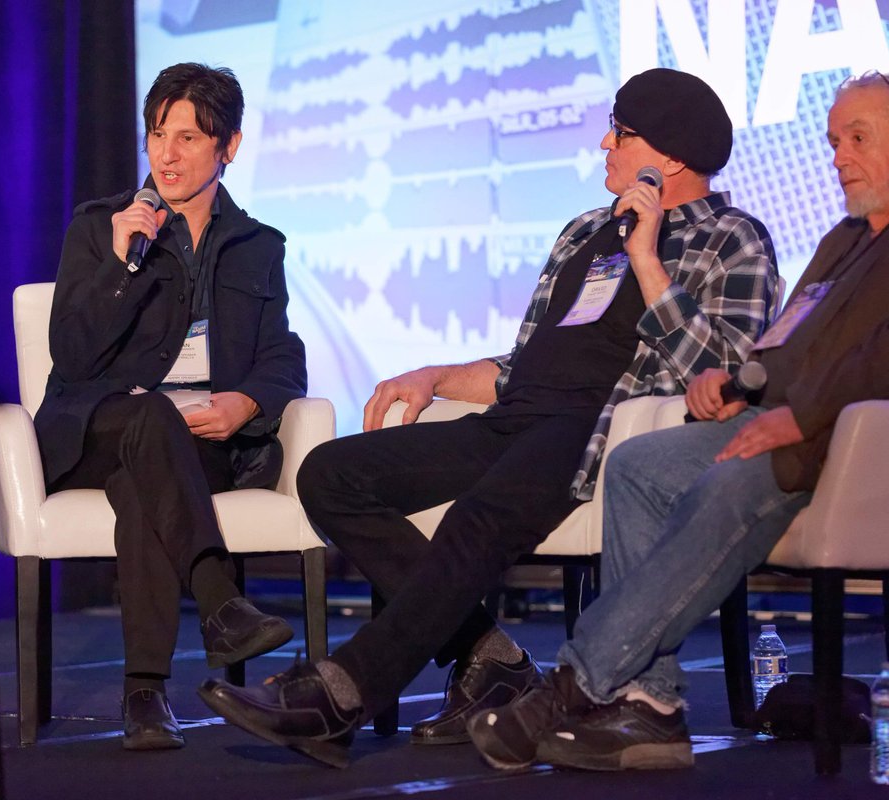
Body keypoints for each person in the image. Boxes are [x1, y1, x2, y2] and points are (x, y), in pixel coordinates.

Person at [198, 68, 779, 766]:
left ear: (672, 157)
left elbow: (721, 377)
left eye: (620, 132)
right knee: (330, 475)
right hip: (515, 419)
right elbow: (523, 363)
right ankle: (491, 658)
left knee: (480, 513)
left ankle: (343, 695)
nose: (604, 142)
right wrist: (437, 375)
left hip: (593, 430)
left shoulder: (730, 238)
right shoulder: (584, 233)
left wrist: (648, 261)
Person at [466, 71, 889, 772]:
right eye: (833, 142)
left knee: (733, 474)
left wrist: (801, 414)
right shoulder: (844, 239)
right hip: (796, 423)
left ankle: (574, 684)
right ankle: (649, 707)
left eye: (858, 138)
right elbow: (789, 345)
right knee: (640, 465)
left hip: (875, 440)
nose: (839, 157)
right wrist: (737, 382)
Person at [35, 63, 306, 750]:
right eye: (158, 134)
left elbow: (284, 355)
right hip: (97, 430)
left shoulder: (258, 247)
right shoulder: (101, 227)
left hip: (194, 449)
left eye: (188, 137)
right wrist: (124, 264)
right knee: (147, 424)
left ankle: (145, 696)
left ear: (230, 148)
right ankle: (219, 600)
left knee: (143, 485)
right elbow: (70, 353)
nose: (167, 153)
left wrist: (245, 403)